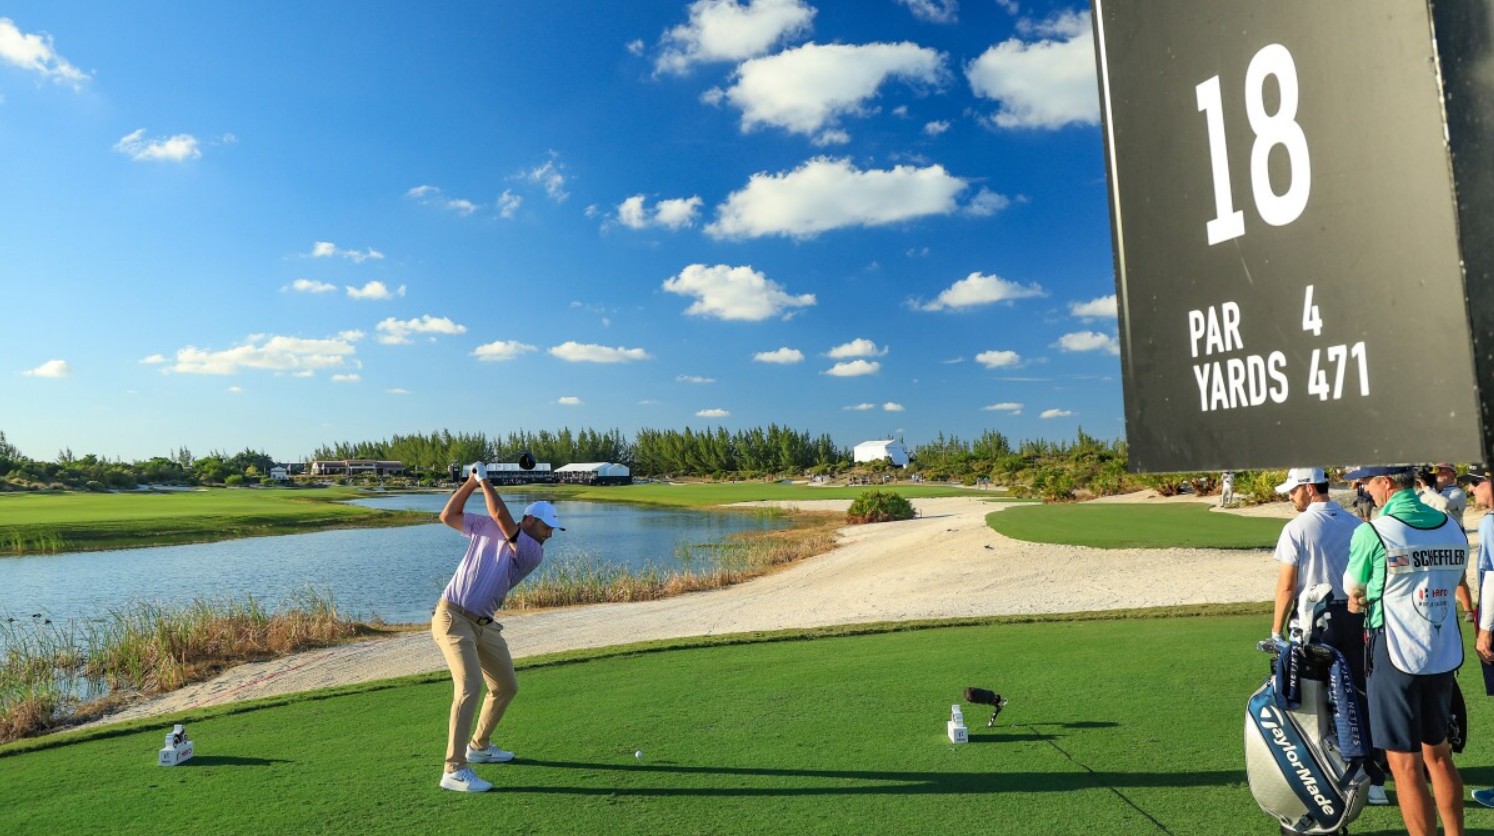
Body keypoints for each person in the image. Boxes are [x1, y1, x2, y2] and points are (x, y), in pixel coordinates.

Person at [1343, 465, 1467, 835]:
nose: (1366, 490)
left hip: (1393, 649)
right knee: (1439, 754)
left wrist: (1360, 598)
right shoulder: (1451, 526)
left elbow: (1354, 587)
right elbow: (1457, 578)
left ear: (1386, 482)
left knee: (1404, 763)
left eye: (1367, 482)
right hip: (1441, 651)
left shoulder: (1373, 531)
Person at [431, 463, 563, 793]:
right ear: (529, 520)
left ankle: (478, 747)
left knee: (505, 686)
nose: (549, 534)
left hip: (485, 626)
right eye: (546, 527)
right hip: (453, 617)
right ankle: (453, 769)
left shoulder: (532, 552)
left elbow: (502, 517)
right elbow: (448, 516)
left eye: (552, 530)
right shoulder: (487, 526)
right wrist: (470, 482)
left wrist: (484, 479)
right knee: (469, 686)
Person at [1269, 467, 1387, 803]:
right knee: (1360, 695)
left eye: (1293, 491)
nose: (1290, 497)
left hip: (1315, 622)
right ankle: (1374, 782)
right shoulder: (1355, 524)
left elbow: (1287, 587)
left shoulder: (1296, 528)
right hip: (1356, 617)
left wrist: (1275, 630)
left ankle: (1328, 775)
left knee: (1317, 700)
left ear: (1309, 489)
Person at [1464, 466, 1494, 809]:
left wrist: (1485, 630)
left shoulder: (1490, 522)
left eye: (1476, 483)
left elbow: (1493, 577)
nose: (1472, 490)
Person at [1437, 463, 1469, 531]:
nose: (1437, 473)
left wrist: (1427, 489)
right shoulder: (1425, 491)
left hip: (1452, 534)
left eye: (1442, 470)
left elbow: (1445, 504)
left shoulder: (1458, 493)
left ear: (1452, 474)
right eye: (1437, 470)